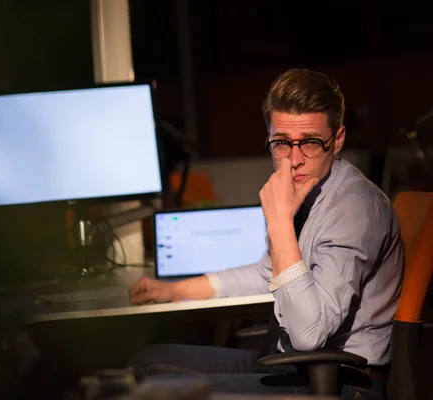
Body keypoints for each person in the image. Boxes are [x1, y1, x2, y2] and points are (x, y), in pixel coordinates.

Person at [128, 68, 404, 399]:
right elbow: (266, 274)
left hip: (341, 382)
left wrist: (279, 222)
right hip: (291, 363)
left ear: (338, 140)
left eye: (311, 143)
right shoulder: (307, 192)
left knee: (163, 391)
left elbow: (309, 334)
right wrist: (176, 291)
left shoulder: (354, 210)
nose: (294, 160)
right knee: (149, 360)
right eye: (282, 143)